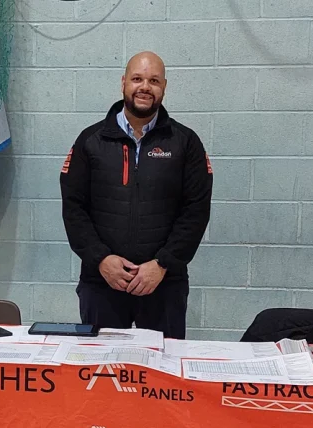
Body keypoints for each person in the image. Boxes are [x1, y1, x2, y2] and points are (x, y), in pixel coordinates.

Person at [60, 51, 213, 339]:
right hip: (101, 283)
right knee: (102, 374)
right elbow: (73, 208)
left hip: (163, 285)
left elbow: (196, 210)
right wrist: (101, 259)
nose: (145, 87)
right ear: (123, 83)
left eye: (154, 80)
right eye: (137, 78)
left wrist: (163, 264)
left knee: (161, 379)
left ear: (164, 87)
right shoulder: (90, 141)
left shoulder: (186, 143)